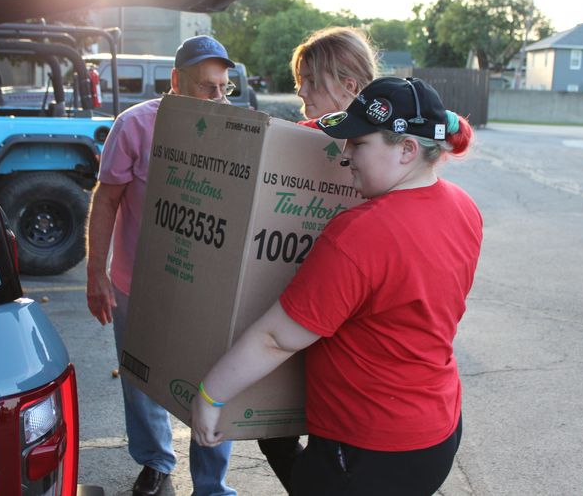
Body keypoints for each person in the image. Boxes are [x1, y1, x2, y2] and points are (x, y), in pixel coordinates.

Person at [191, 77, 482, 496]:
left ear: (406, 149)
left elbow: (276, 338)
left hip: (369, 450)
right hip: (436, 431)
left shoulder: (361, 233)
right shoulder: (462, 206)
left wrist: (210, 394)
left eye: (359, 144)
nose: (345, 155)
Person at [86, 35, 238, 496]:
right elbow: (107, 198)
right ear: (176, 82)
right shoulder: (134, 125)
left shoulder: (235, 129)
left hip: (204, 288)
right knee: (140, 379)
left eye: (223, 88)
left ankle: (211, 484)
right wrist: (96, 271)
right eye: (205, 88)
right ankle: (155, 461)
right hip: (137, 281)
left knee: (212, 384)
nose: (217, 98)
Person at [256, 25, 379, 494]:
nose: (299, 90)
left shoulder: (391, 149)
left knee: (335, 449)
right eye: (299, 78)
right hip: (297, 314)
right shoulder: (303, 138)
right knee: (275, 433)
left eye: (310, 79)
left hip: (354, 337)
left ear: (348, 85)